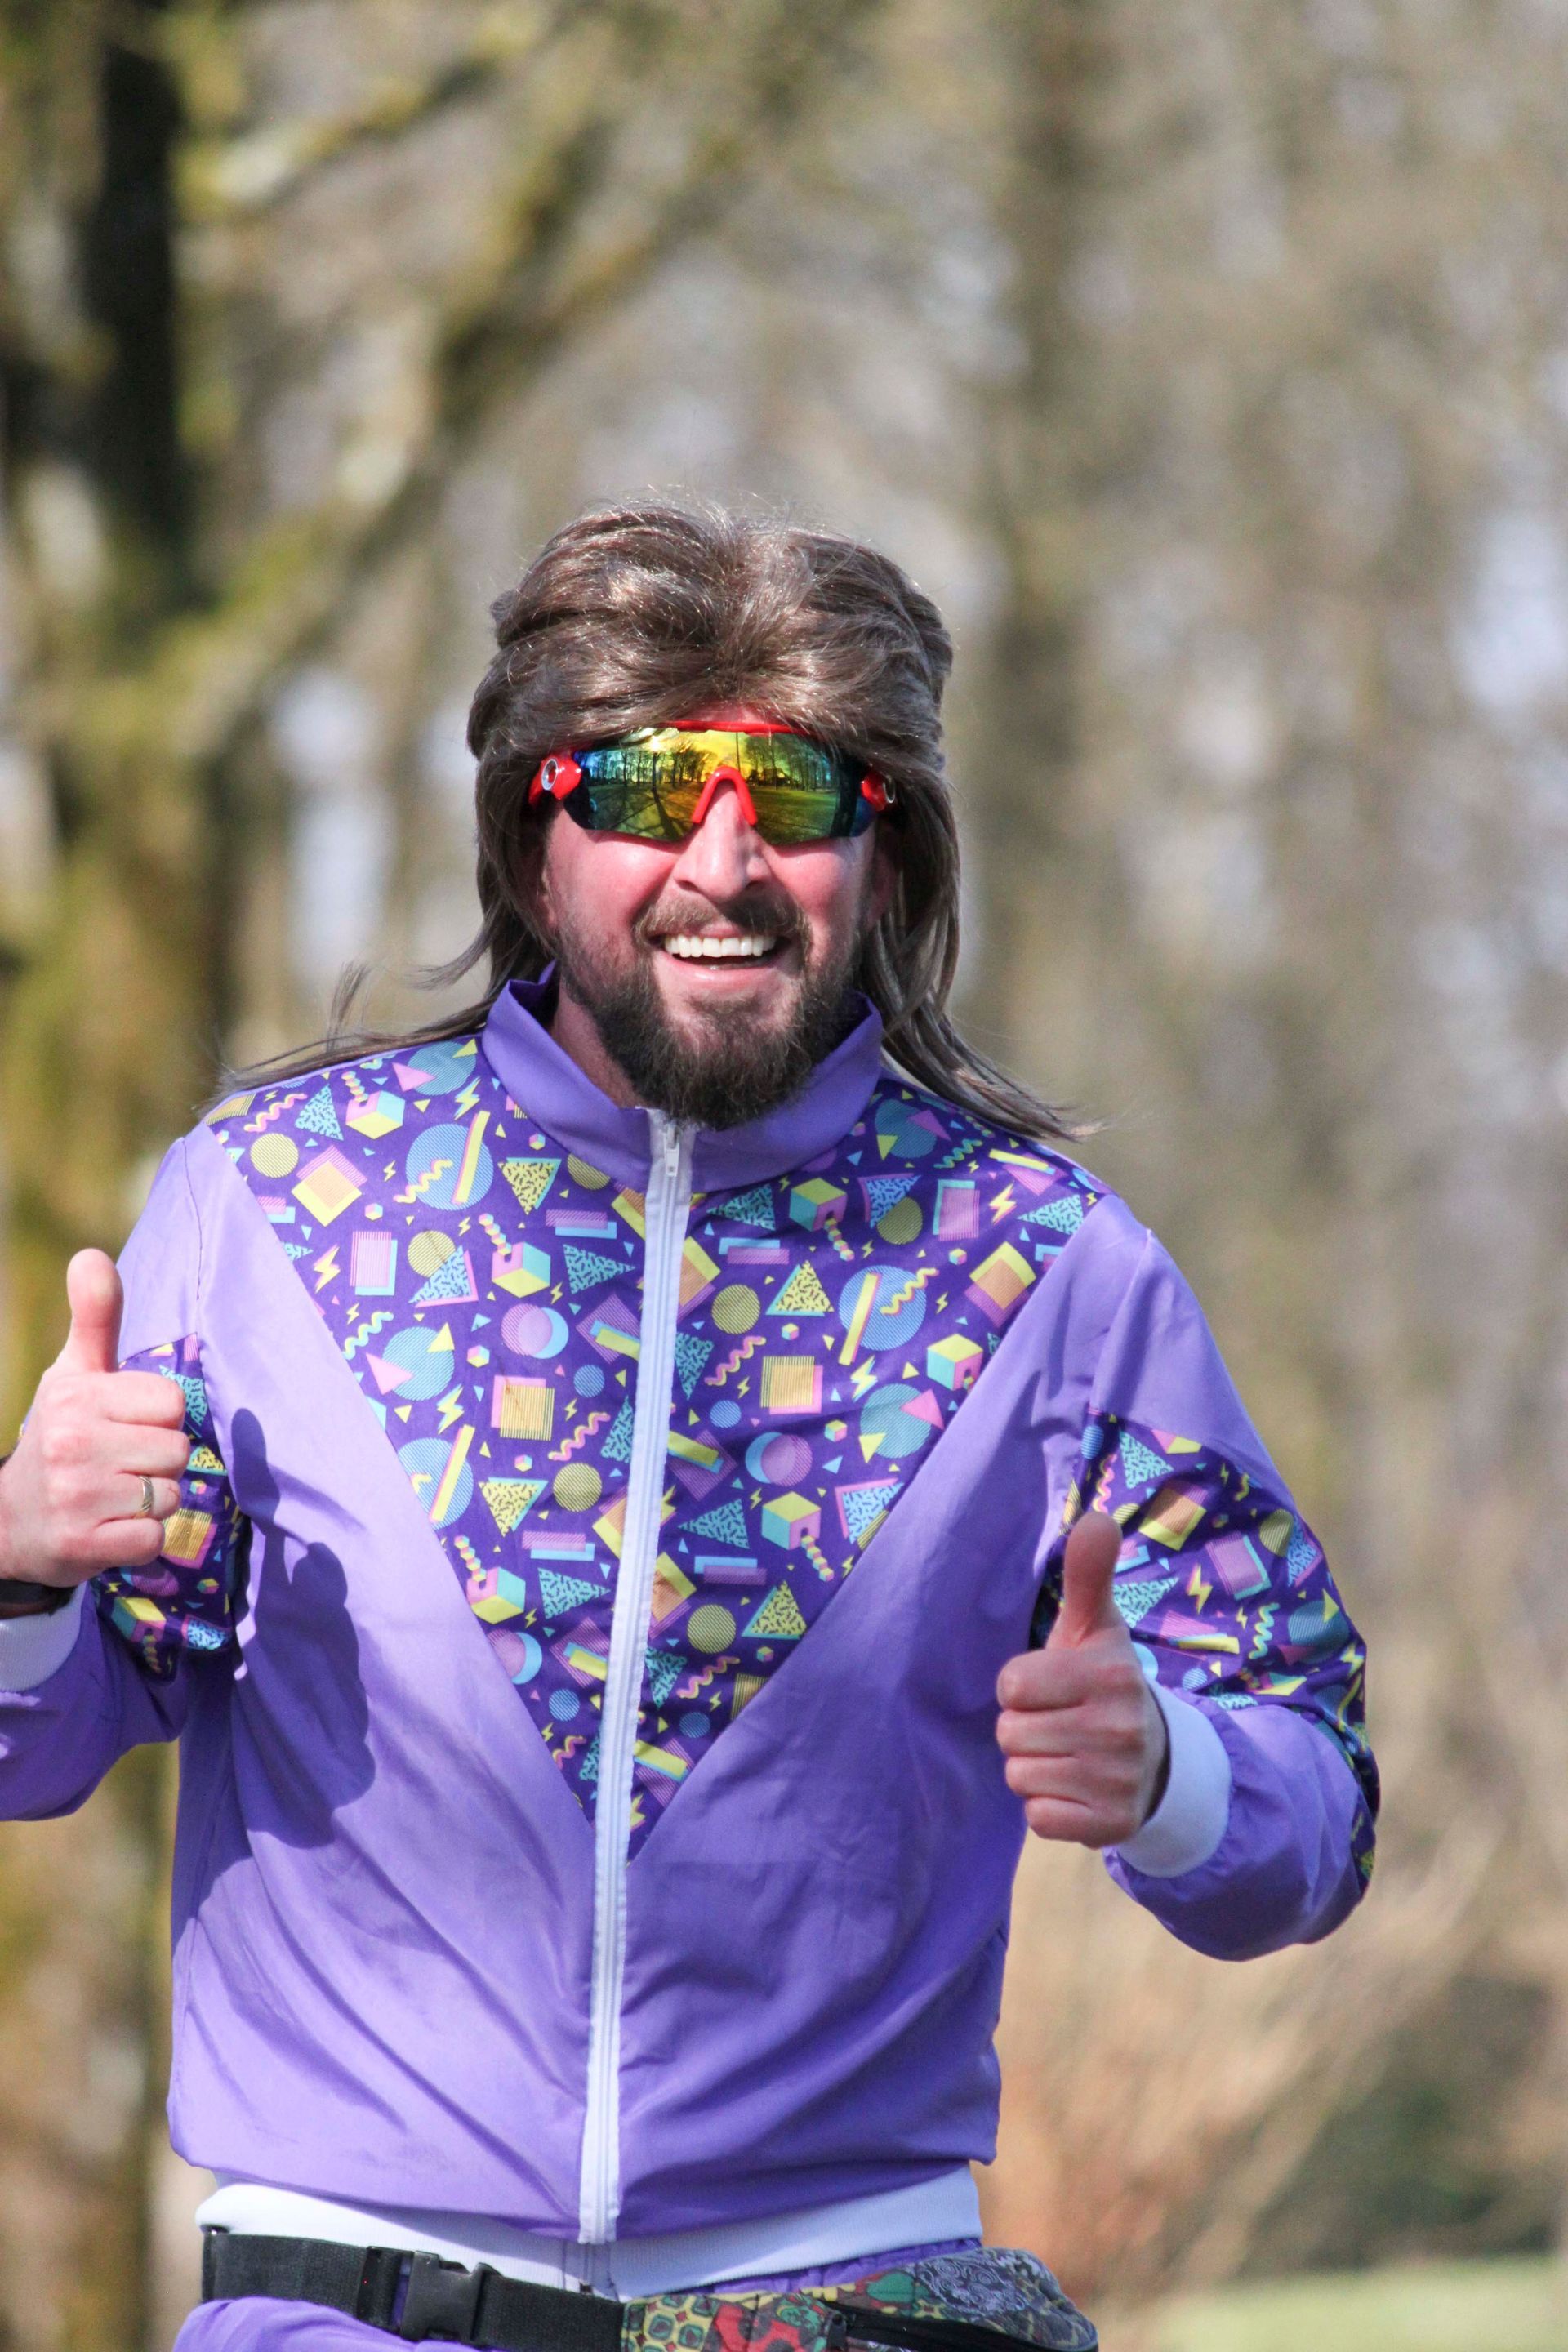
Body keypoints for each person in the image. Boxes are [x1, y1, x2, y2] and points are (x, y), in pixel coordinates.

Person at [0, 506, 1376, 2352]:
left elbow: (1316, 1790)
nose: (724, 863)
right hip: (344, 2308)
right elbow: (46, 1740)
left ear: (883, 855)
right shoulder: (269, 1204)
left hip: (852, 2297)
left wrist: (1170, 1778)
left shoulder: (1044, 1263)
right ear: (529, 831)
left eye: (802, 797)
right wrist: (23, 1572)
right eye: (647, 790)